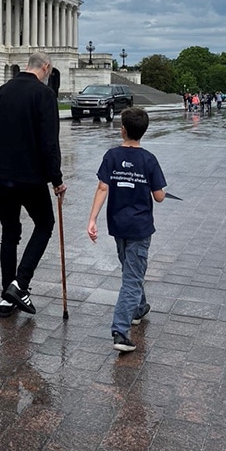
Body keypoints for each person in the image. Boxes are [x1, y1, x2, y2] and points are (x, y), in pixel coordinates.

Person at [0, 51, 67, 318]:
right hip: (29, 177)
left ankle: (7, 297)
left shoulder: (4, 90)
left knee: (9, 232)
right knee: (45, 224)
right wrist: (57, 179)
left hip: (0, 176)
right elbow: (49, 142)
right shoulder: (44, 95)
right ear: (46, 68)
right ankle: (20, 283)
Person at [87, 107, 166, 353]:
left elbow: (102, 187)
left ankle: (139, 308)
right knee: (132, 276)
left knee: (130, 269)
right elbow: (160, 196)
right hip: (140, 227)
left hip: (118, 225)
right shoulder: (149, 159)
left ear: (122, 130)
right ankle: (120, 330)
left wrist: (93, 219)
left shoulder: (111, 156)